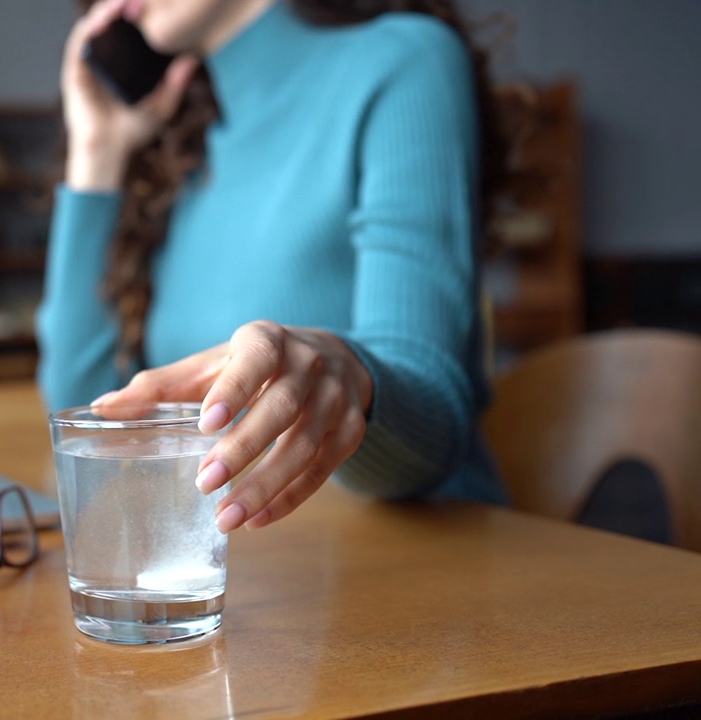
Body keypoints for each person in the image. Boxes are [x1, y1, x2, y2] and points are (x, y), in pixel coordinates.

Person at [35, 0, 511, 535]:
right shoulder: (178, 144)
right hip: (244, 568)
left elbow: (435, 429)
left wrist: (350, 375)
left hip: (428, 566)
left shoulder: (403, 59)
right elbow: (91, 417)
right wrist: (98, 151)